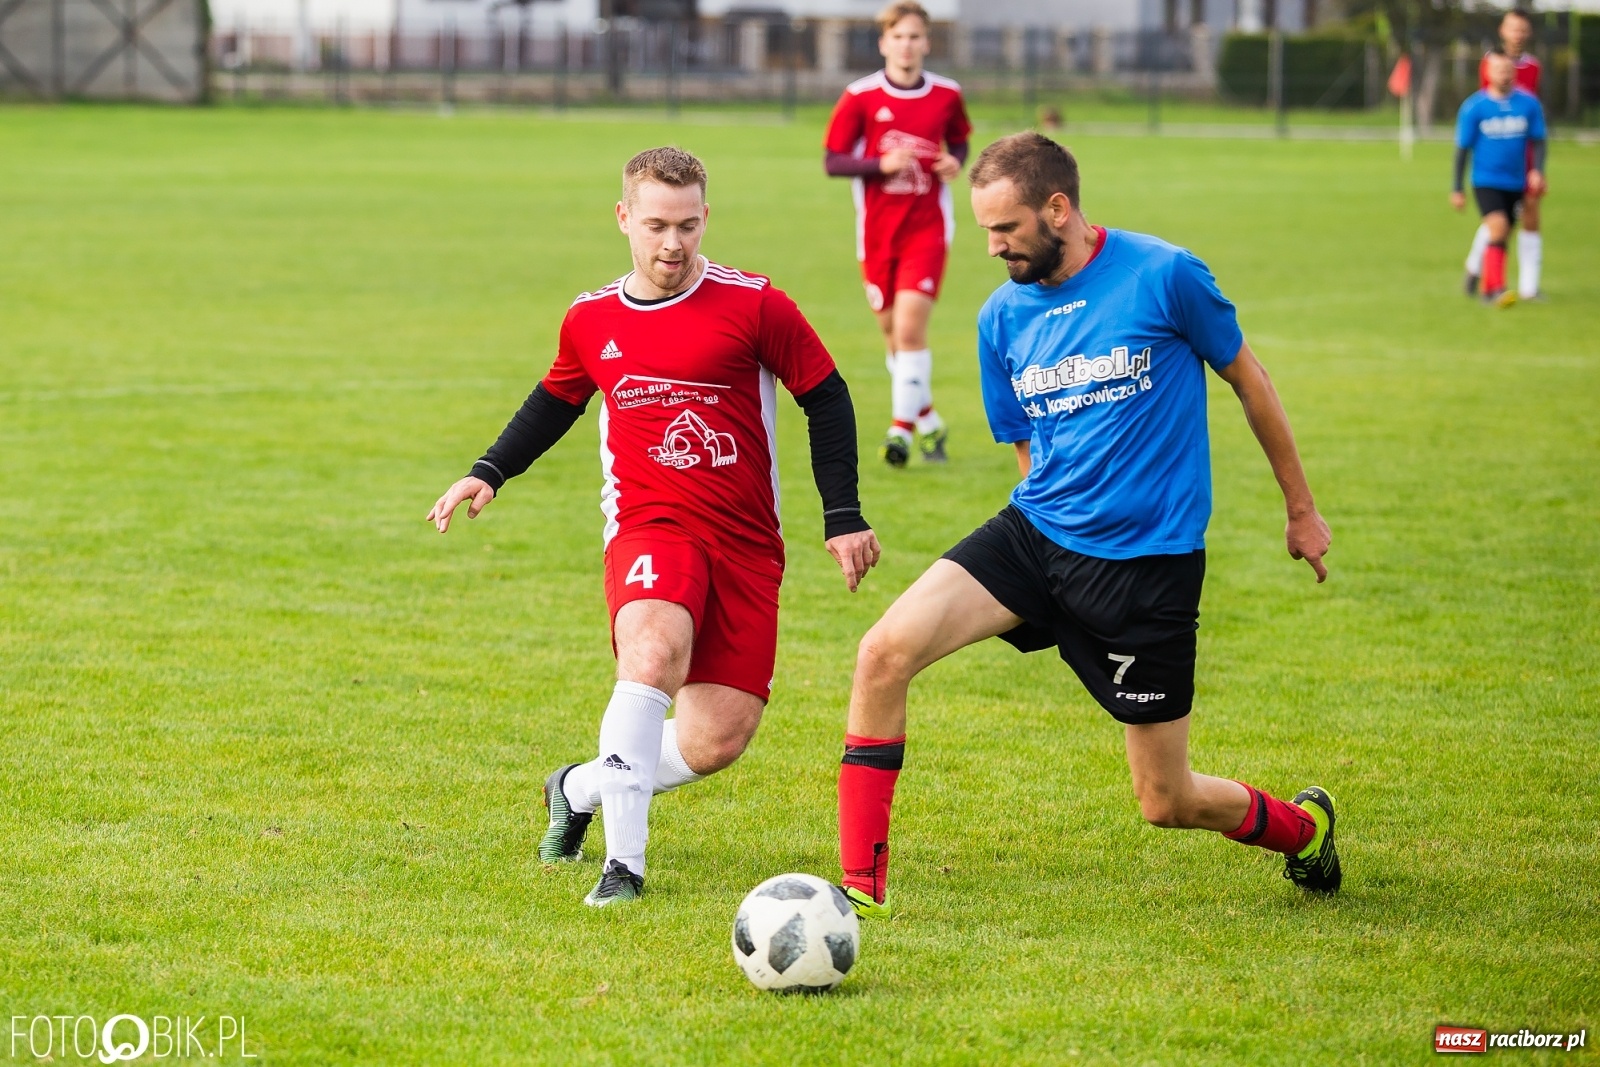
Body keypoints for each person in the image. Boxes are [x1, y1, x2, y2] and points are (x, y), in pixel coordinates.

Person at [834, 133, 1340, 918]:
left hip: (1147, 567)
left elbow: (1250, 380)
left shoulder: (1164, 275)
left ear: (1058, 209)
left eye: (1007, 229)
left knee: (1165, 799)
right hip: (1037, 535)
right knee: (882, 653)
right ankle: (857, 894)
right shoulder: (1000, 317)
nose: (995, 247)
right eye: (985, 232)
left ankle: (1303, 830)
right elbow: (1027, 448)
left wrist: (1301, 509)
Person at [428, 147, 882, 907]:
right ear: (623, 219)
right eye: (656, 226)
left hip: (743, 542)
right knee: (652, 653)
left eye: (688, 225)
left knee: (716, 740)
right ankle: (623, 867)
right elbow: (556, 399)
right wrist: (489, 469)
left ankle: (576, 786)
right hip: (650, 526)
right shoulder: (591, 317)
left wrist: (843, 515)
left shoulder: (758, 305)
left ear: (706, 218)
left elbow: (827, 397)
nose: (673, 244)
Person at [823, 1, 972, 468]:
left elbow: (960, 139)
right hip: (877, 235)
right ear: (885, 42)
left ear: (927, 42)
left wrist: (956, 161)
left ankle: (900, 432)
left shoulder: (947, 94)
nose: (907, 45)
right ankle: (929, 421)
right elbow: (833, 160)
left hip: (927, 231)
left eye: (915, 36)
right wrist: (877, 165)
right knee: (892, 337)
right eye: (898, 37)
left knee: (909, 330)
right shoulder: (860, 97)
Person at [1452, 50, 1547, 307]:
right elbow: (1462, 150)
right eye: (1498, 70)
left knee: (1502, 234)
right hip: (1485, 179)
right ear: (1487, 72)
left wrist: (1537, 170)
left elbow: (1539, 141)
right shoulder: (1474, 107)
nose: (1504, 75)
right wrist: (1457, 188)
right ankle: (1493, 289)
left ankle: (1475, 272)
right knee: (1498, 226)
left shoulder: (1528, 104)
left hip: (1516, 181)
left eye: (1507, 70)